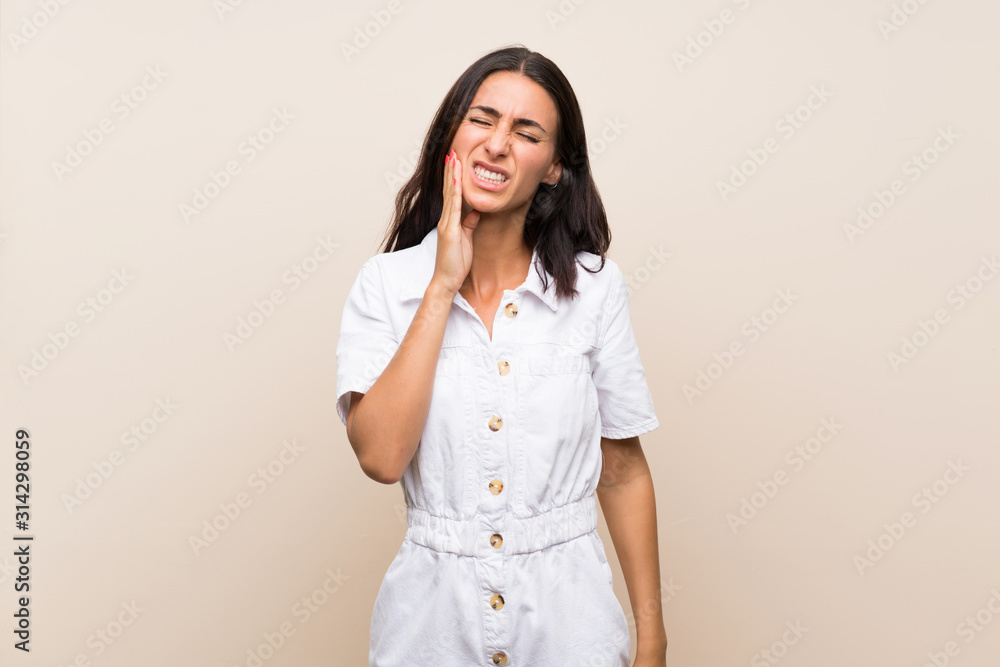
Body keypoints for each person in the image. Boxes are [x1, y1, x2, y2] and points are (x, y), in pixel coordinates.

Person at [336, 44, 667, 667]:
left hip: (572, 629)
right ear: (452, 138)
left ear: (554, 168)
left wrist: (652, 639)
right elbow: (381, 457)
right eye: (482, 120)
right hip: (429, 633)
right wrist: (441, 286)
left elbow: (623, 470)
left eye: (527, 132)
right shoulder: (385, 286)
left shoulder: (594, 289)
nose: (497, 144)